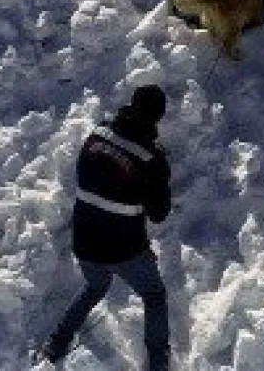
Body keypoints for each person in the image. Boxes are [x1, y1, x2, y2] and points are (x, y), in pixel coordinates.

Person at [38, 84, 173, 370]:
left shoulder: (98, 133)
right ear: (158, 118)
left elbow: (89, 174)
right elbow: (159, 213)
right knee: (154, 295)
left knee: (95, 286)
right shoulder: (152, 159)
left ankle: (55, 344)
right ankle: (159, 364)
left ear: (131, 105)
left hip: (84, 240)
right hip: (125, 250)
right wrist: (159, 173)